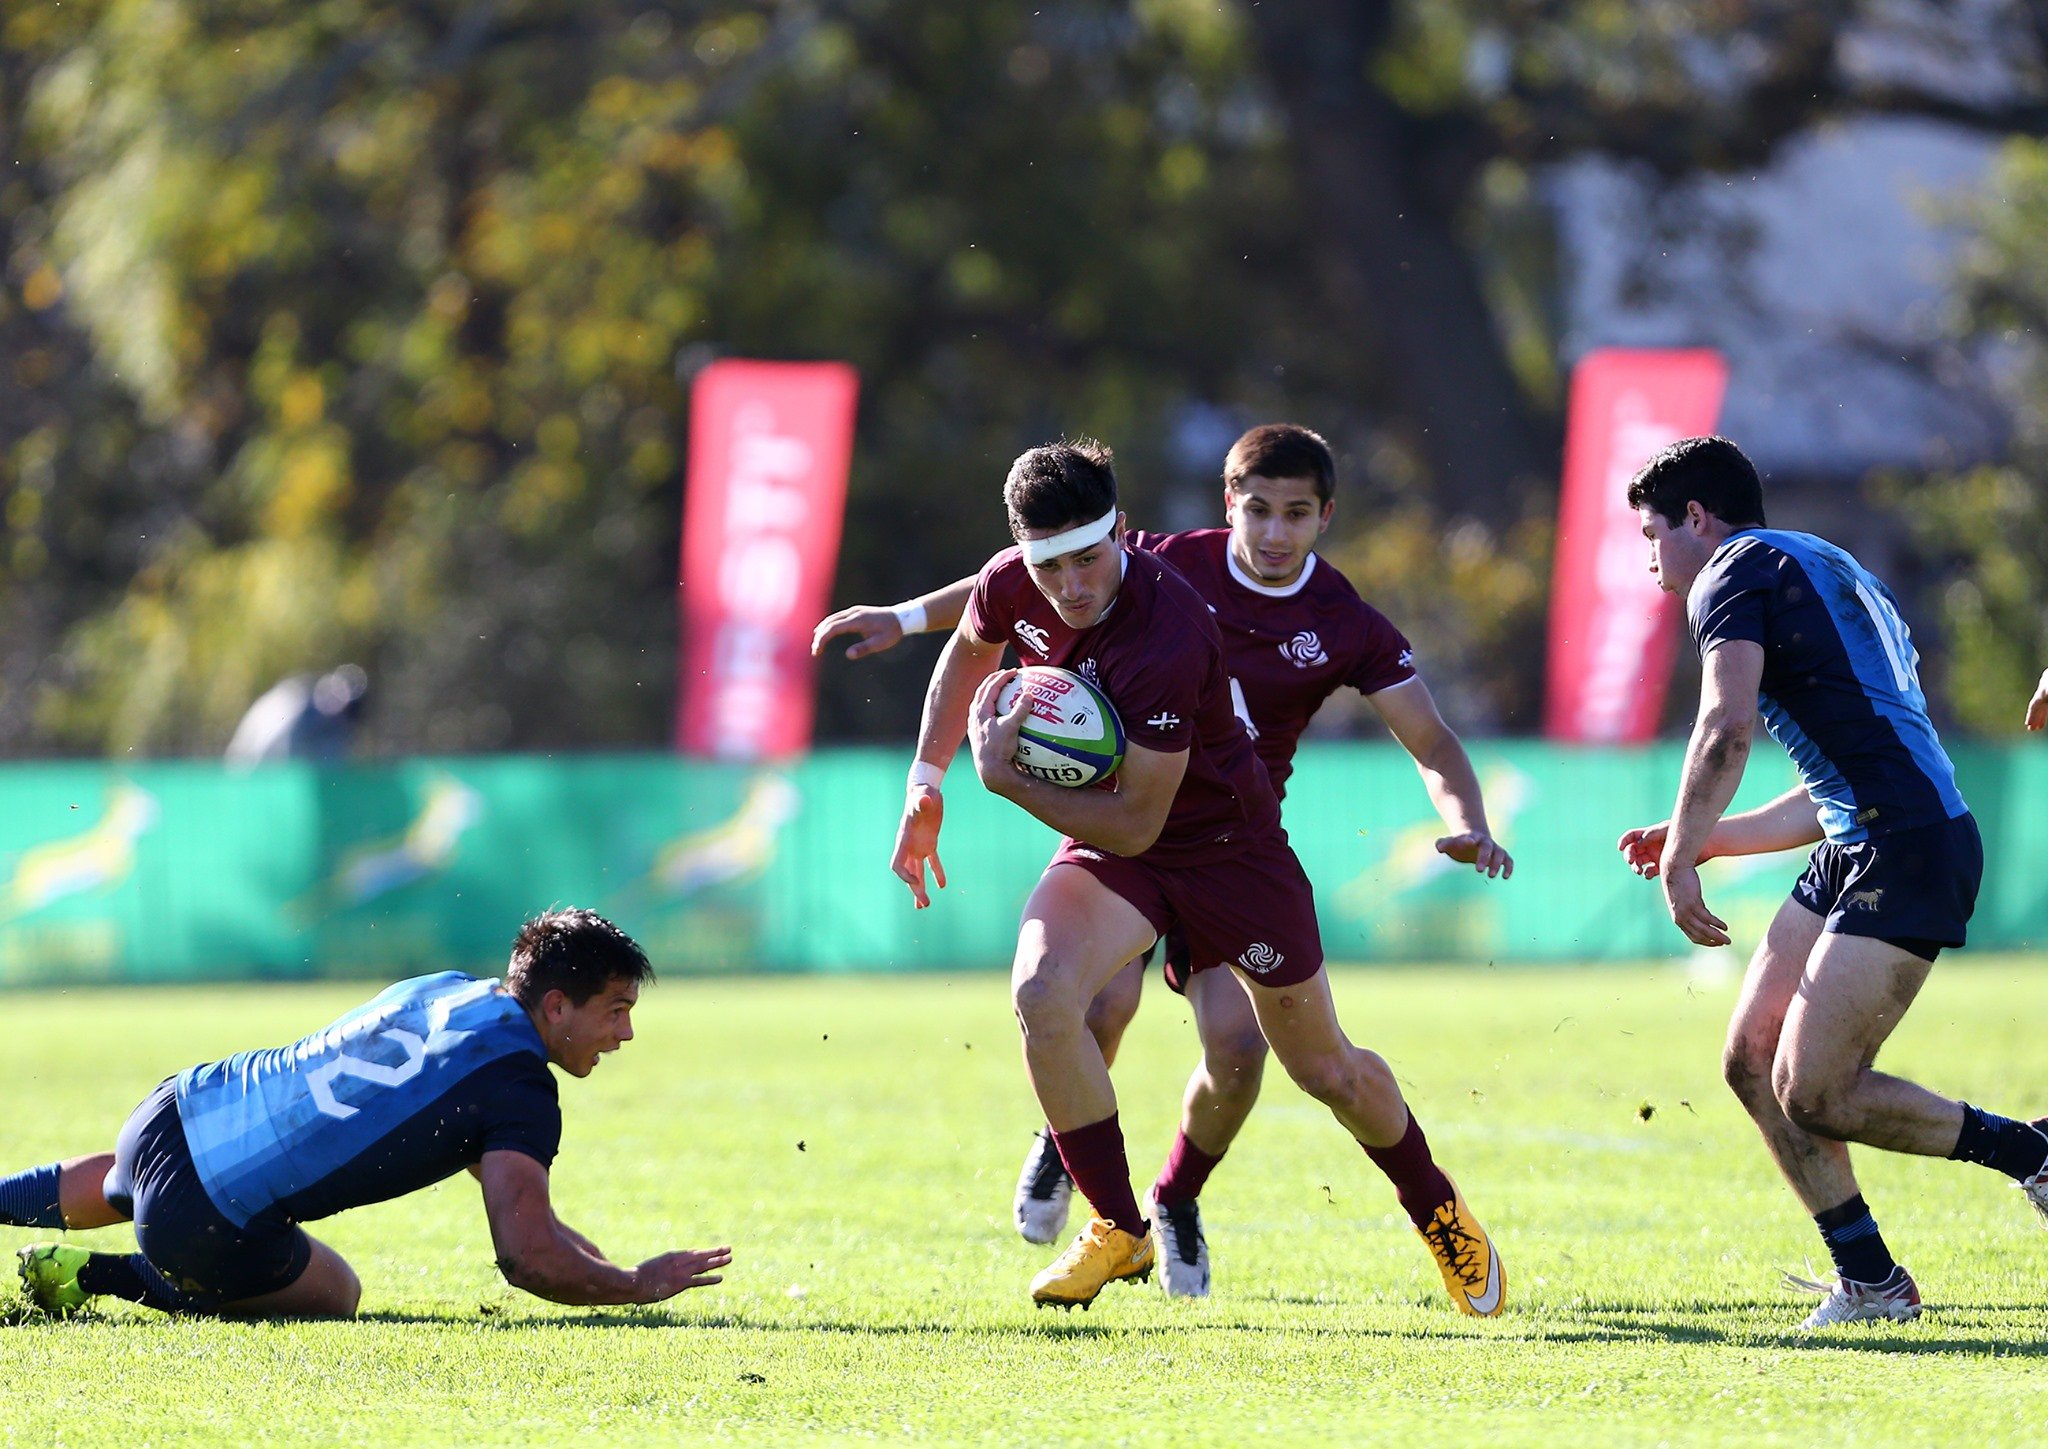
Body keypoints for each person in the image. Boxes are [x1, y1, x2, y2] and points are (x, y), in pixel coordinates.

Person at [815, 424, 1512, 1298]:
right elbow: (973, 643)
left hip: (1226, 846)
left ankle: (1435, 1205)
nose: (1069, 587)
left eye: (1085, 562)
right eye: (1047, 567)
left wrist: (997, 776)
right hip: (1116, 839)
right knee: (1048, 992)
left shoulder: (1175, 624)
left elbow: (1143, 821)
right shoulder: (1038, 572)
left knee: (1316, 1066)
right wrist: (926, 782)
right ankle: (1118, 1223)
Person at [1614, 435, 2047, 1331]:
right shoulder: (1822, 562)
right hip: (1869, 836)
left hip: (1908, 844)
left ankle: (2032, 1154)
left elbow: (1724, 728)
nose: (1650, 556)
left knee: (1817, 1088)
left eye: (1652, 532)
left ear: (1696, 517)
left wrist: (1685, 854)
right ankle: (1873, 1282)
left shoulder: (1728, 571)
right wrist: (1710, 840)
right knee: (1749, 1060)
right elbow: (1833, 787)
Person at [3, 908, 732, 1318]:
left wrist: (599, 1265)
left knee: (136, 1181)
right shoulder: (519, 1088)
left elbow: (523, 1211)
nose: (624, 1034)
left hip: (168, 1114)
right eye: (616, 1011)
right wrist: (636, 1283)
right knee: (336, 1292)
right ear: (554, 1005)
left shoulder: (451, 990)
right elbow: (527, 1255)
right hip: (198, 1221)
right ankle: (100, 1277)